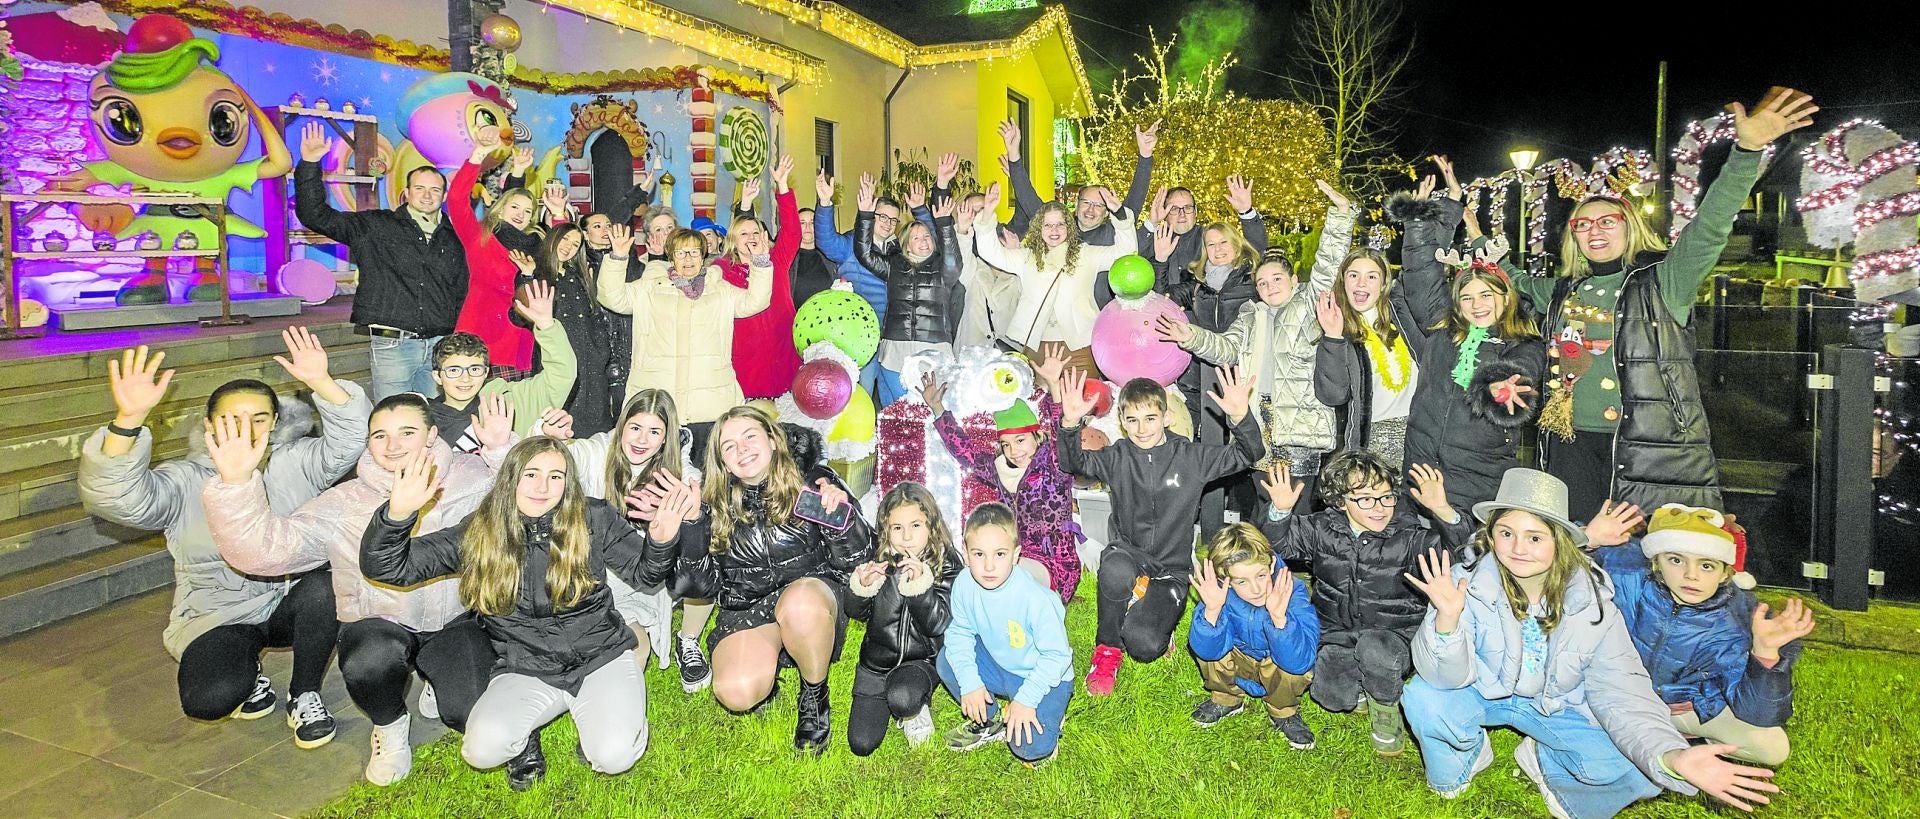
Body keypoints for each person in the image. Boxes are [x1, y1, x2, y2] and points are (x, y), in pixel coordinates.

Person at [1403, 469, 1785, 816]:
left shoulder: (1594, 600)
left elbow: (1622, 690)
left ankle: (1545, 762)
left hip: (1556, 705)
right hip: (1480, 690)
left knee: (1642, 774)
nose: (1518, 548)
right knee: (1423, 698)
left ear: (1560, 543)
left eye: (1535, 537)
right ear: (1491, 536)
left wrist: (1671, 756)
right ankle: (1465, 756)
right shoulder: (1462, 583)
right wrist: (1447, 622)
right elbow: (1442, 680)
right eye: (1506, 533)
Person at [1516, 89, 1817, 520]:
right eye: (1583, 224)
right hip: (1569, 442)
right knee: (1575, 547)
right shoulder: (1565, 290)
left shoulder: (1663, 281)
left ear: (1630, 226)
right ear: (1574, 238)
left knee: (1648, 560)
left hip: (1647, 449)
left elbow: (1710, 228)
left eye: (1608, 221)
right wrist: (1473, 237)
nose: (1594, 230)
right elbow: (1516, 282)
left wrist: (1746, 152)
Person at [202, 392, 515, 786]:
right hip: (379, 624)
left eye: (407, 432)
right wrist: (236, 484)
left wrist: (502, 449)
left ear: (433, 435)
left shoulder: (471, 478)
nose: (393, 445)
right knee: (369, 661)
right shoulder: (344, 502)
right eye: (379, 435)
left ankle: (437, 678)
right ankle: (389, 724)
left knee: (471, 711)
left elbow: (531, 499)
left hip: (454, 619)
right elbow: (268, 551)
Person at [78, 330, 370, 746]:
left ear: (274, 424)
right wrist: (127, 421)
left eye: (259, 418)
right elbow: (116, 500)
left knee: (328, 586)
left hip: (293, 603)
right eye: (232, 419)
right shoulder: (185, 480)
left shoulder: (296, 462)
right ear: (210, 424)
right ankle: (247, 677)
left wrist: (322, 383)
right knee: (208, 699)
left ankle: (304, 692)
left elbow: (353, 441)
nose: (246, 430)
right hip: (220, 613)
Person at [361, 436, 682, 787]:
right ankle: (563, 709)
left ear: (568, 482)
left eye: (555, 476)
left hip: (600, 656)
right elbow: (387, 567)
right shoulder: (479, 531)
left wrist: (661, 541)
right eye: (530, 474)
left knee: (613, 756)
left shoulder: (593, 517)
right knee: (481, 751)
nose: (542, 487)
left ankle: (607, 714)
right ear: (511, 478)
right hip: (527, 667)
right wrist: (397, 515)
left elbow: (645, 573)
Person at [658, 406, 872, 754]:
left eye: (750, 437)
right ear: (723, 463)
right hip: (749, 608)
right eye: (729, 446)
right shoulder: (713, 506)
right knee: (737, 690)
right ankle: (772, 661)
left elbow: (860, 562)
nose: (741, 450)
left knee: (800, 606)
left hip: (810, 596)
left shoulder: (811, 486)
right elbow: (697, 588)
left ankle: (814, 695)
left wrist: (841, 517)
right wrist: (694, 525)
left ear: (773, 441)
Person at [1052, 366, 1263, 696]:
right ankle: (1106, 651)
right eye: (1132, 420)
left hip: (1171, 569)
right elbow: (1073, 464)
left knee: (1145, 646)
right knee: (1115, 569)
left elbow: (1248, 454)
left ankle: (1152, 609)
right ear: (1122, 421)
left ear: (1166, 417)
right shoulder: (1117, 457)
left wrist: (1240, 415)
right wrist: (1068, 424)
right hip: (1128, 554)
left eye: (1150, 418)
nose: (1141, 428)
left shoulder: (1190, 457)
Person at [1160, 179, 1354, 530]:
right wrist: (1187, 335)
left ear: (1293, 281)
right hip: (1258, 421)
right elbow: (1226, 347)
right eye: (1262, 283)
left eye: (1276, 280)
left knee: (1299, 508)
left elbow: (1328, 265)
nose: (1268, 287)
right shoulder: (1251, 313)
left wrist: (1340, 216)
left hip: (1298, 426)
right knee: (1264, 505)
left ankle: (1297, 573)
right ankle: (1267, 569)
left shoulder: (1308, 304)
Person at [1254, 452, 1475, 755]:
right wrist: (1279, 512)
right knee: (1331, 695)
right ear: (1340, 500)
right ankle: (1361, 685)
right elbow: (1277, 546)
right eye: (1366, 499)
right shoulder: (1321, 528)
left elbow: (1458, 552)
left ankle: (1385, 705)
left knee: (1376, 653)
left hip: (1394, 633)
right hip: (1337, 630)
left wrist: (1443, 510)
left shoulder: (1407, 536)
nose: (1379, 508)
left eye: (1386, 498)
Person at [1595, 504, 1812, 766]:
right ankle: (1639, 737)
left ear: (1725, 574)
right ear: (1656, 562)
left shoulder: (1736, 622)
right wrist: (1590, 537)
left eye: (1706, 565)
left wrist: (1764, 653)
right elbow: (1554, 555)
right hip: (1617, 695)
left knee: (1772, 747)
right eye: (1676, 560)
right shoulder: (1628, 577)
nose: (1691, 575)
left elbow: (1758, 713)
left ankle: (1671, 737)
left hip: (1682, 709)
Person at [1396, 167, 1549, 514]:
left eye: (1485, 295)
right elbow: (1421, 274)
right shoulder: (1444, 329)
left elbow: (1519, 380)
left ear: (1505, 297)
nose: (1476, 305)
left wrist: (1502, 390)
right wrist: (1419, 220)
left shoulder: (1523, 343)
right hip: (1421, 469)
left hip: (1479, 480)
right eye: (1467, 298)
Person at [294, 122, 466, 400]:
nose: (426, 195)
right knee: (393, 415)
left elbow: (461, 289)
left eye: (434, 190)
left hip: (439, 344)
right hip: (393, 343)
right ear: (406, 193)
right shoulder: (375, 226)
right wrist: (310, 163)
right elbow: (316, 215)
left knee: (433, 415)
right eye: (419, 188)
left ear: (444, 196)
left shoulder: (455, 237)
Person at [560, 389, 713, 693]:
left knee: (705, 548)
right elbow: (558, 460)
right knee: (632, 651)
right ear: (621, 426)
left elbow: (704, 506)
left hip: (654, 580)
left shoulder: (677, 472)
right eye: (635, 428)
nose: (642, 440)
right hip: (605, 579)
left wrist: (672, 518)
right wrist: (547, 436)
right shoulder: (599, 452)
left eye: (654, 431)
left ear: (666, 437)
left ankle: (689, 638)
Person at [925, 346, 1080, 603]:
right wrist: (938, 409)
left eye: (1020, 441)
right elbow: (966, 452)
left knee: (1009, 579)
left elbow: (1062, 432)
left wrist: (1054, 385)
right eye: (1006, 444)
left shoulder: (1054, 464)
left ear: (1036, 435)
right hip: (1012, 554)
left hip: (1055, 563)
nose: (1014, 451)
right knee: (980, 576)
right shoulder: (999, 469)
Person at [936, 503, 1074, 767]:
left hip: (1044, 674)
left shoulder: (1036, 600)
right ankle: (989, 720)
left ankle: (1050, 712)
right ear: (965, 553)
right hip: (1002, 665)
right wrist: (970, 683)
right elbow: (959, 633)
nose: (989, 565)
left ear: (1015, 555)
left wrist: (1025, 700)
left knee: (1029, 748)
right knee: (946, 660)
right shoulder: (965, 583)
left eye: (1000, 554)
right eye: (979, 554)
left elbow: (1057, 657)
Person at [597, 223, 772, 423]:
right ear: (671, 257)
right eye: (680, 253)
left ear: (703, 256)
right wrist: (617, 258)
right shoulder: (649, 288)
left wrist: (760, 262)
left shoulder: (720, 289)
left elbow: (756, 301)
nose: (688, 258)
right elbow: (610, 297)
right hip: (658, 402)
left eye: (694, 252)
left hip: (711, 402)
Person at [844, 482, 963, 755]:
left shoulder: (946, 564)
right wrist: (862, 588)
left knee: (903, 698)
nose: (906, 537)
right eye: (897, 528)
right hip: (875, 665)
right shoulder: (882, 560)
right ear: (887, 529)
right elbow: (857, 614)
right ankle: (891, 698)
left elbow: (938, 625)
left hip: (920, 662)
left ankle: (915, 709)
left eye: (916, 526)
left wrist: (920, 586)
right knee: (861, 744)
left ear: (931, 525)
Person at [972, 182, 1140, 374]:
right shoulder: (1026, 257)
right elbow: (989, 252)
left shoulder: (1086, 254)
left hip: (1080, 349)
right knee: (1040, 404)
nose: (1054, 230)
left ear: (1068, 226)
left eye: (1060, 224)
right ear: (1039, 228)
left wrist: (1119, 213)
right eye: (1048, 225)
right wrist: (987, 214)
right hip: (1037, 348)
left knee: (1083, 402)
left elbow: (1127, 252)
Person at [1187, 523, 1320, 749]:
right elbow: (1206, 650)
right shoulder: (1219, 593)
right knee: (1207, 633)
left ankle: (1283, 712)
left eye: (1260, 575)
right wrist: (1211, 611)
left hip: (1274, 663)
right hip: (1239, 659)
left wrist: (1280, 620)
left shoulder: (1291, 590)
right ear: (1225, 578)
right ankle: (1226, 699)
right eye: (1241, 581)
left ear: (1270, 565)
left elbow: (1301, 661)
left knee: (1295, 665)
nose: (1256, 589)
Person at [1002, 119, 1156, 305]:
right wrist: (1014, 156)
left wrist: (1145, 156)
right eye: (1086, 202)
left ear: (1107, 211)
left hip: (1100, 318)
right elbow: (1029, 200)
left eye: (1099, 205)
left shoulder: (1115, 232)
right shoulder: (1057, 230)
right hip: (1057, 320)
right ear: (1076, 204)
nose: (1091, 209)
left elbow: (1134, 201)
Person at [815, 169, 941, 393]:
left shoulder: (900, 251)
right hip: (858, 335)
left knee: (889, 394)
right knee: (859, 392)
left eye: (893, 219)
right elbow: (825, 240)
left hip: (892, 338)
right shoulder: (851, 245)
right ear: (871, 215)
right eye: (882, 216)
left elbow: (931, 248)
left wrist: (921, 210)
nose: (888, 223)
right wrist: (825, 203)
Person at [1313, 238, 1430, 469]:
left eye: (1371, 276)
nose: (1361, 283)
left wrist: (1419, 219)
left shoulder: (1403, 316)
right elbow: (1333, 395)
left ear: (1384, 283)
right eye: (1353, 275)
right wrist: (1333, 337)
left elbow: (1422, 269)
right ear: (1343, 280)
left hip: (1418, 436)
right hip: (1372, 439)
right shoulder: (1338, 326)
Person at [425, 281, 577, 450]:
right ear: (437, 376)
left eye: (475, 369)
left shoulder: (510, 402)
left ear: (486, 373)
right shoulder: (421, 418)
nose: (465, 378)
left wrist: (546, 325)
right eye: (454, 370)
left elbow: (562, 373)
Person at [855, 173, 964, 405]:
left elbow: (954, 262)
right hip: (894, 351)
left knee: (930, 414)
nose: (924, 241)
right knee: (896, 414)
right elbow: (864, 254)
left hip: (933, 352)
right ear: (905, 244)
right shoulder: (894, 266)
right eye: (916, 238)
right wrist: (865, 216)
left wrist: (945, 224)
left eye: (927, 236)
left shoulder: (942, 269)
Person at [450, 125, 543, 373]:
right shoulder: (480, 236)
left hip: (518, 341)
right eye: (514, 208)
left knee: (519, 410)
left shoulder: (534, 247)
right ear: (501, 208)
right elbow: (457, 201)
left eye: (527, 212)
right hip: (478, 339)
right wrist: (478, 154)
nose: (520, 215)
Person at [523, 223, 614, 437]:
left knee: (595, 430)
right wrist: (527, 278)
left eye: (575, 244)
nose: (569, 246)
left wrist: (602, 351)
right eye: (565, 239)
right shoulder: (538, 273)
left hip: (592, 363)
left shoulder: (579, 275)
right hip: (559, 362)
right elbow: (520, 315)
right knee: (559, 426)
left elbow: (596, 315)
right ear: (553, 238)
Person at [730, 157, 804, 400]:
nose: (751, 237)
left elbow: (792, 231)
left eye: (755, 232)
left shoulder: (777, 261)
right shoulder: (723, 271)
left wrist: (782, 187)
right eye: (744, 233)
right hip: (747, 367)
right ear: (733, 240)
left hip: (783, 358)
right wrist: (745, 204)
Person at [1140, 179, 1270, 297]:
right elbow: (1129, 257)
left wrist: (1246, 212)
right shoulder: (1154, 239)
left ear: (1195, 211)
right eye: (1174, 209)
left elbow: (1256, 255)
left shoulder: (1211, 237)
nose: (1182, 214)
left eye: (1187, 208)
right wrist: (1152, 223)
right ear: (1165, 213)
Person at [579, 212, 640, 417]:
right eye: (597, 226)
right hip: (598, 347)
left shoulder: (629, 260)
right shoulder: (580, 265)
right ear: (585, 235)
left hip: (629, 342)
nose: (605, 230)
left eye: (608, 224)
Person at [791, 204, 836, 308]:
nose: (808, 227)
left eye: (812, 222)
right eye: (802, 223)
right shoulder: (787, 259)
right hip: (795, 320)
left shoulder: (830, 255)